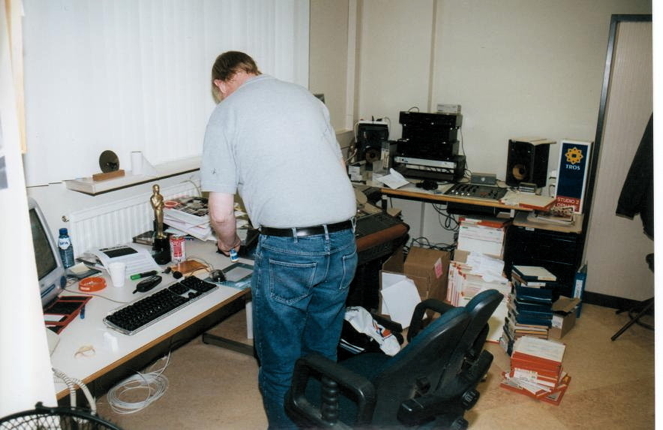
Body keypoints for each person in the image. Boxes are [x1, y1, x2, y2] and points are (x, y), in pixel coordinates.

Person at [200, 51, 358, 429]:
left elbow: (220, 214)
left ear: (221, 84)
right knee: (322, 350)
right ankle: (320, 423)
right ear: (253, 70)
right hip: (342, 240)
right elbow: (339, 168)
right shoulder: (305, 97)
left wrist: (230, 243)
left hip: (291, 249)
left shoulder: (227, 111)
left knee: (279, 361)